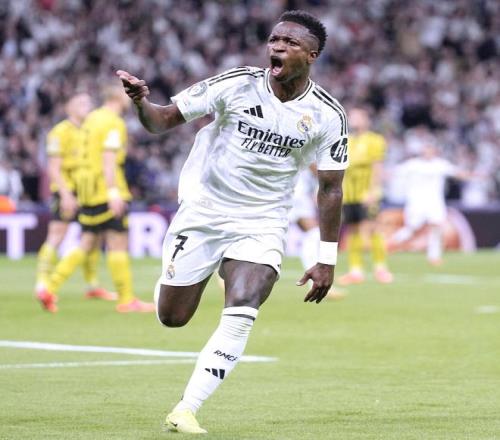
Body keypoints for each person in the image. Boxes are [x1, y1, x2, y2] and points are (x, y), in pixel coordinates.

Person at [118, 10, 348, 434]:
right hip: (204, 211)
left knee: (244, 306)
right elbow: (162, 120)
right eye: (274, 39)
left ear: (311, 55)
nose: (277, 47)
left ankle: (186, 408)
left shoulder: (327, 114)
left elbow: (331, 189)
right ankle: (186, 273)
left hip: (263, 220)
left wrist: (326, 259)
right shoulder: (237, 83)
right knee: (173, 317)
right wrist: (140, 103)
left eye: (290, 42)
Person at [36, 85, 155, 313]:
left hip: (86, 192)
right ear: (117, 97)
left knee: (87, 242)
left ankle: (49, 287)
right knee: (117, 242)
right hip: (106, 190)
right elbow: (108, 159)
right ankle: (126, 299)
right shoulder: (113, 122)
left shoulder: (90, 120)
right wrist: (113, 192)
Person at [35, 93, 113, 301]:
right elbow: (54, 168)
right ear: (68, 107)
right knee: (57, 235)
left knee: (93, 237)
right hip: (67, 191)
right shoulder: (59, 132)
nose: (87, 106)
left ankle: (92, 284)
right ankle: (42, 283)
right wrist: (65, 194)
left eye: (88, 102)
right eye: (81, 103)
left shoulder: (91, 130)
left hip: (89, 191)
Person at [388, 142, 475, 265]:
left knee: (436, 227)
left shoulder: (440, 165)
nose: (428, 153)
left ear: (434, 152)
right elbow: (394, 172)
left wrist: (474, 175)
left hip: (434, 203)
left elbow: (457, 173)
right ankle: (392, 243)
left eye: (430, 150)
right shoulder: (413, 165)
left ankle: (434, 256)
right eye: (426, 150)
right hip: (417, 203)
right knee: (412, 228)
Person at [337, 106, 393, 285]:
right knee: (352, 230)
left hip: (367, 193)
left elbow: (377, 167)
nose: (352, 120)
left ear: (366, 120)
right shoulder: (345, 140)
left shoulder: (375, 140)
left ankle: (380, 268)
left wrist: (373, 191)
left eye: (356, 116)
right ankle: (356, 271)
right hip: (349, 195)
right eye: (351, 116)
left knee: (374, 228)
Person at [290, 165, 345, 299]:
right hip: (297, 192)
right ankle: (316, 282)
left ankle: (315, 281)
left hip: (297, 191)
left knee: (311, 234)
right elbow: (315, 165)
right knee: (313, 233)